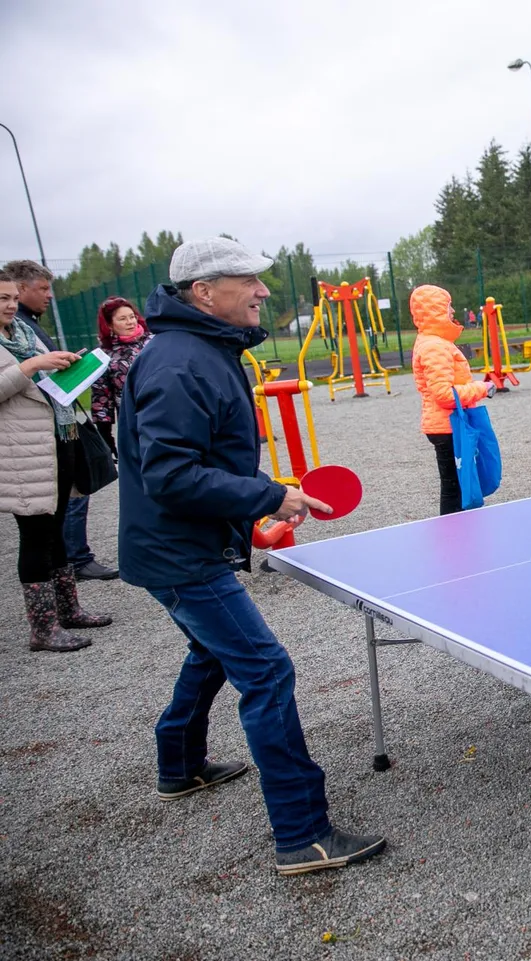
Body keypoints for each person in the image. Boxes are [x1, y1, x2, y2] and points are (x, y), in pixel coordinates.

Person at [119, 237, 385, 875]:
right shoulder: (182, 364)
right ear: (204, 294)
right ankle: (302, 833)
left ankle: (177, 766)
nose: (263, 290)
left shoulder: (201, 351)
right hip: (183, 554)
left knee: (210, 652)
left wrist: (259, 496)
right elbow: (172, 476)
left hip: (178, 546)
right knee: (266, 672)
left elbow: (199, 462)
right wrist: (270, 495)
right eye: (247, 280)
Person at [0, 270, 113, 652]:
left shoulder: (24, 333)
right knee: (35, 536)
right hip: (21, 451)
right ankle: (42, 628)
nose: (11, 305)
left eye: (13, 297)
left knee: (58, 527)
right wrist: (34, 365)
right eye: (3, 298)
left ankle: (69, 610)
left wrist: (64, 365)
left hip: (56, 437)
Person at [409, 284, 489, 515]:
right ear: (434, 310)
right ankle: (454, 537)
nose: (452, 310)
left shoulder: (434, 341)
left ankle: (458, 533)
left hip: (446, 423)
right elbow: (445, 394)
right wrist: (482, 387)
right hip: (447, 425)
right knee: (453, 488)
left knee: (456, 486)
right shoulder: (435, 346)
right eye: (447, 306)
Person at [90, 297, 151, 454]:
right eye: (123, 319)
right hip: (134, 421)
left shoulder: (154, 341)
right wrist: (105, 435)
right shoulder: (104, 355)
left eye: (132, 317)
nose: (130, 322)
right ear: (109, 325)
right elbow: (100, 397)